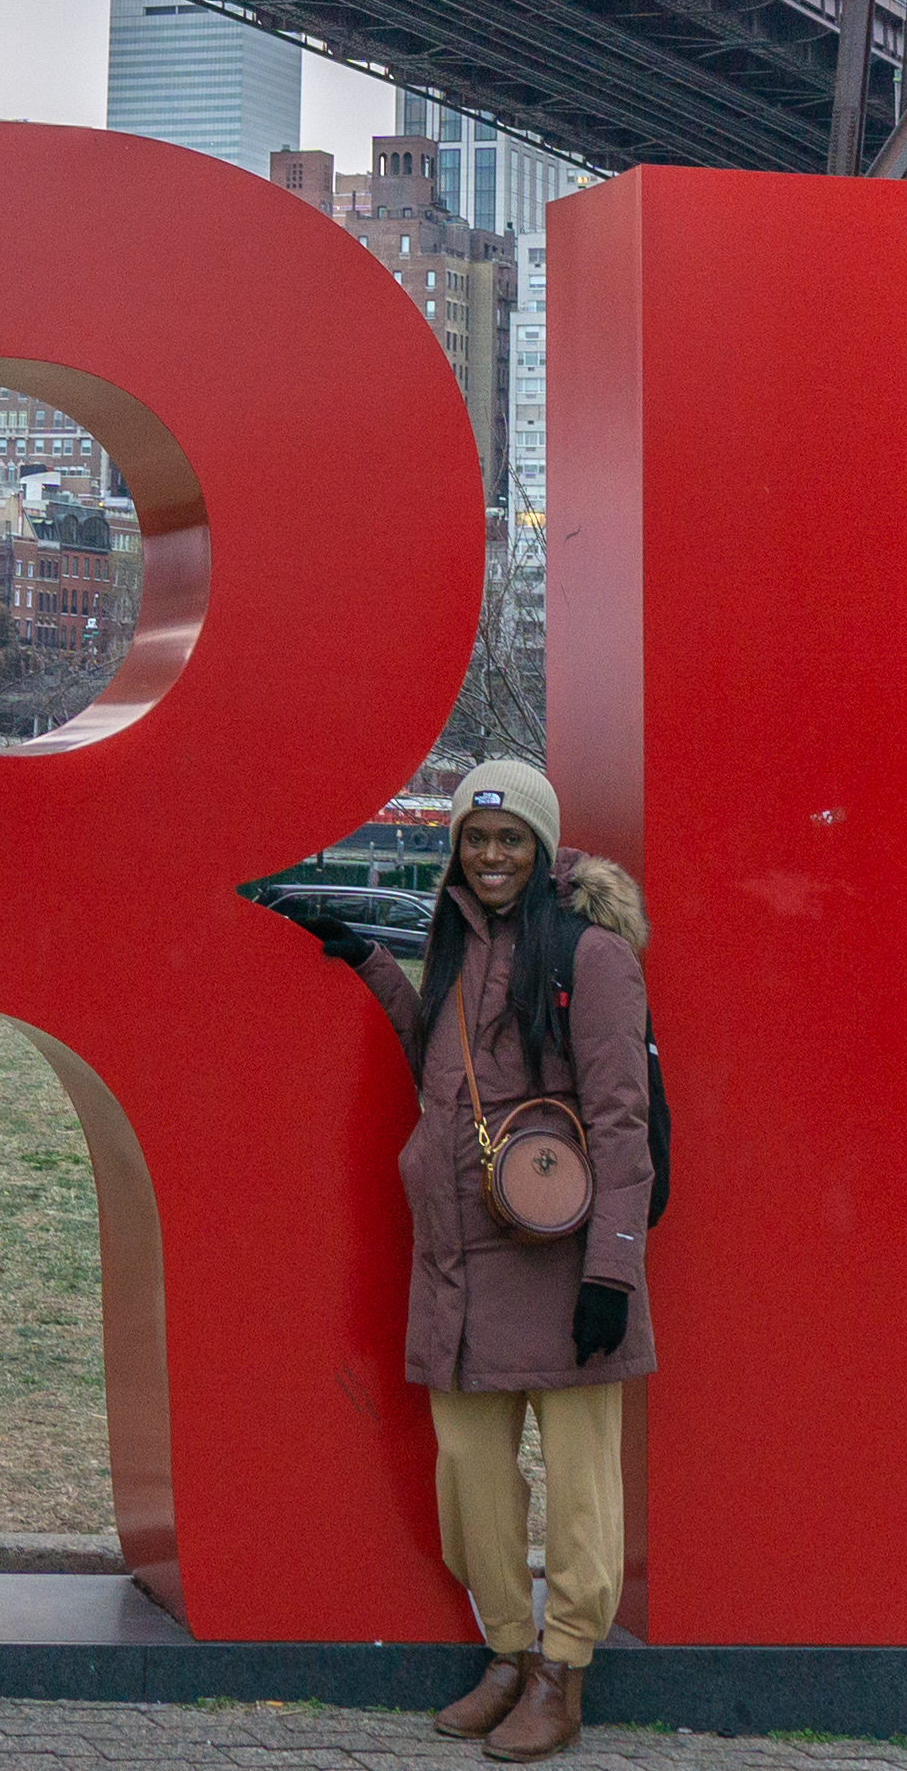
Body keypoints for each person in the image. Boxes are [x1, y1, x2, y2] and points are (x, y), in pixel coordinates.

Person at [295, 754, 649, 1760]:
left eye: (508, 838)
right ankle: (507, 1650)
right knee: (470, 1472)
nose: (490, 855)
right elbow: (443, 1073)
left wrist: (612, 1273)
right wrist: (366, 961)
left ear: (540, 847)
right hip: (460, 1255)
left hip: (565, 1256)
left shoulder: (591, 955)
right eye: (475, 838)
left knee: (581, 1483)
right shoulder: (456, 942)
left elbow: (623, 1123)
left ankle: (564, 1671)